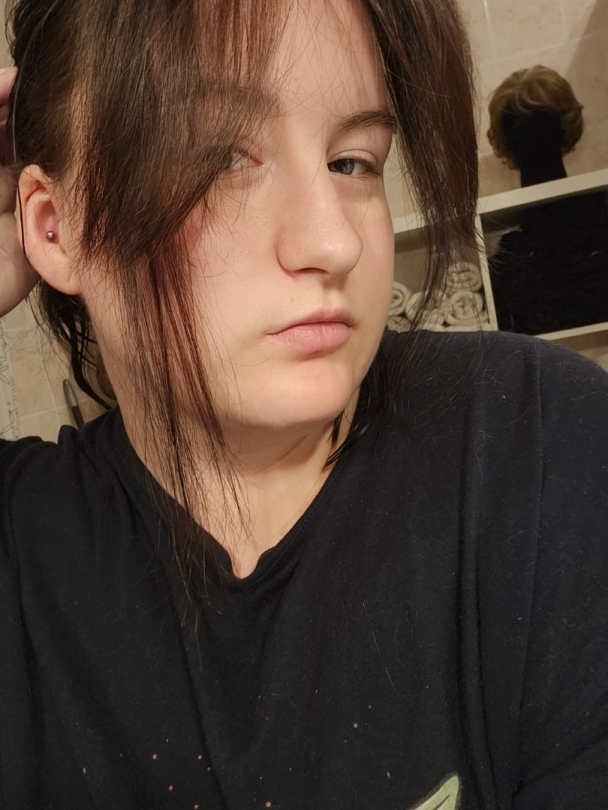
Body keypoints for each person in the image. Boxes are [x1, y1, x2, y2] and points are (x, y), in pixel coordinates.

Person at [1, 1, 608, 808]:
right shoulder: (22, 551)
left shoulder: (540, 446)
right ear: (54, 227)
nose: (335, 241)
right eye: (220, 158)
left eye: (353, 162)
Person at [486, 66, 608, 334]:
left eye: (539, 122)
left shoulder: (511, 257)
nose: (530, 133)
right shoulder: (597, 216)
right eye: (519, 125)